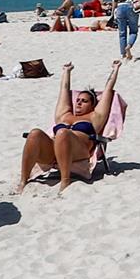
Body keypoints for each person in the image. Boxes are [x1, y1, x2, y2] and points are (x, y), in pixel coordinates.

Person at [17, 61, 121, 194]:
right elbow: (64, 90)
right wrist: (67, 71)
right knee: (34, 133)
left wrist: (115, 69)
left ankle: (65, 180)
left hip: (79, 151)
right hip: (54, 151)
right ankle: (23, 180)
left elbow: (108, 91)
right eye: (78, 100)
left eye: (84, 101)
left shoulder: (95, 117)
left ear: (92, 105)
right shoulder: (64, 115)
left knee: (62, 133)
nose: (79, 103)